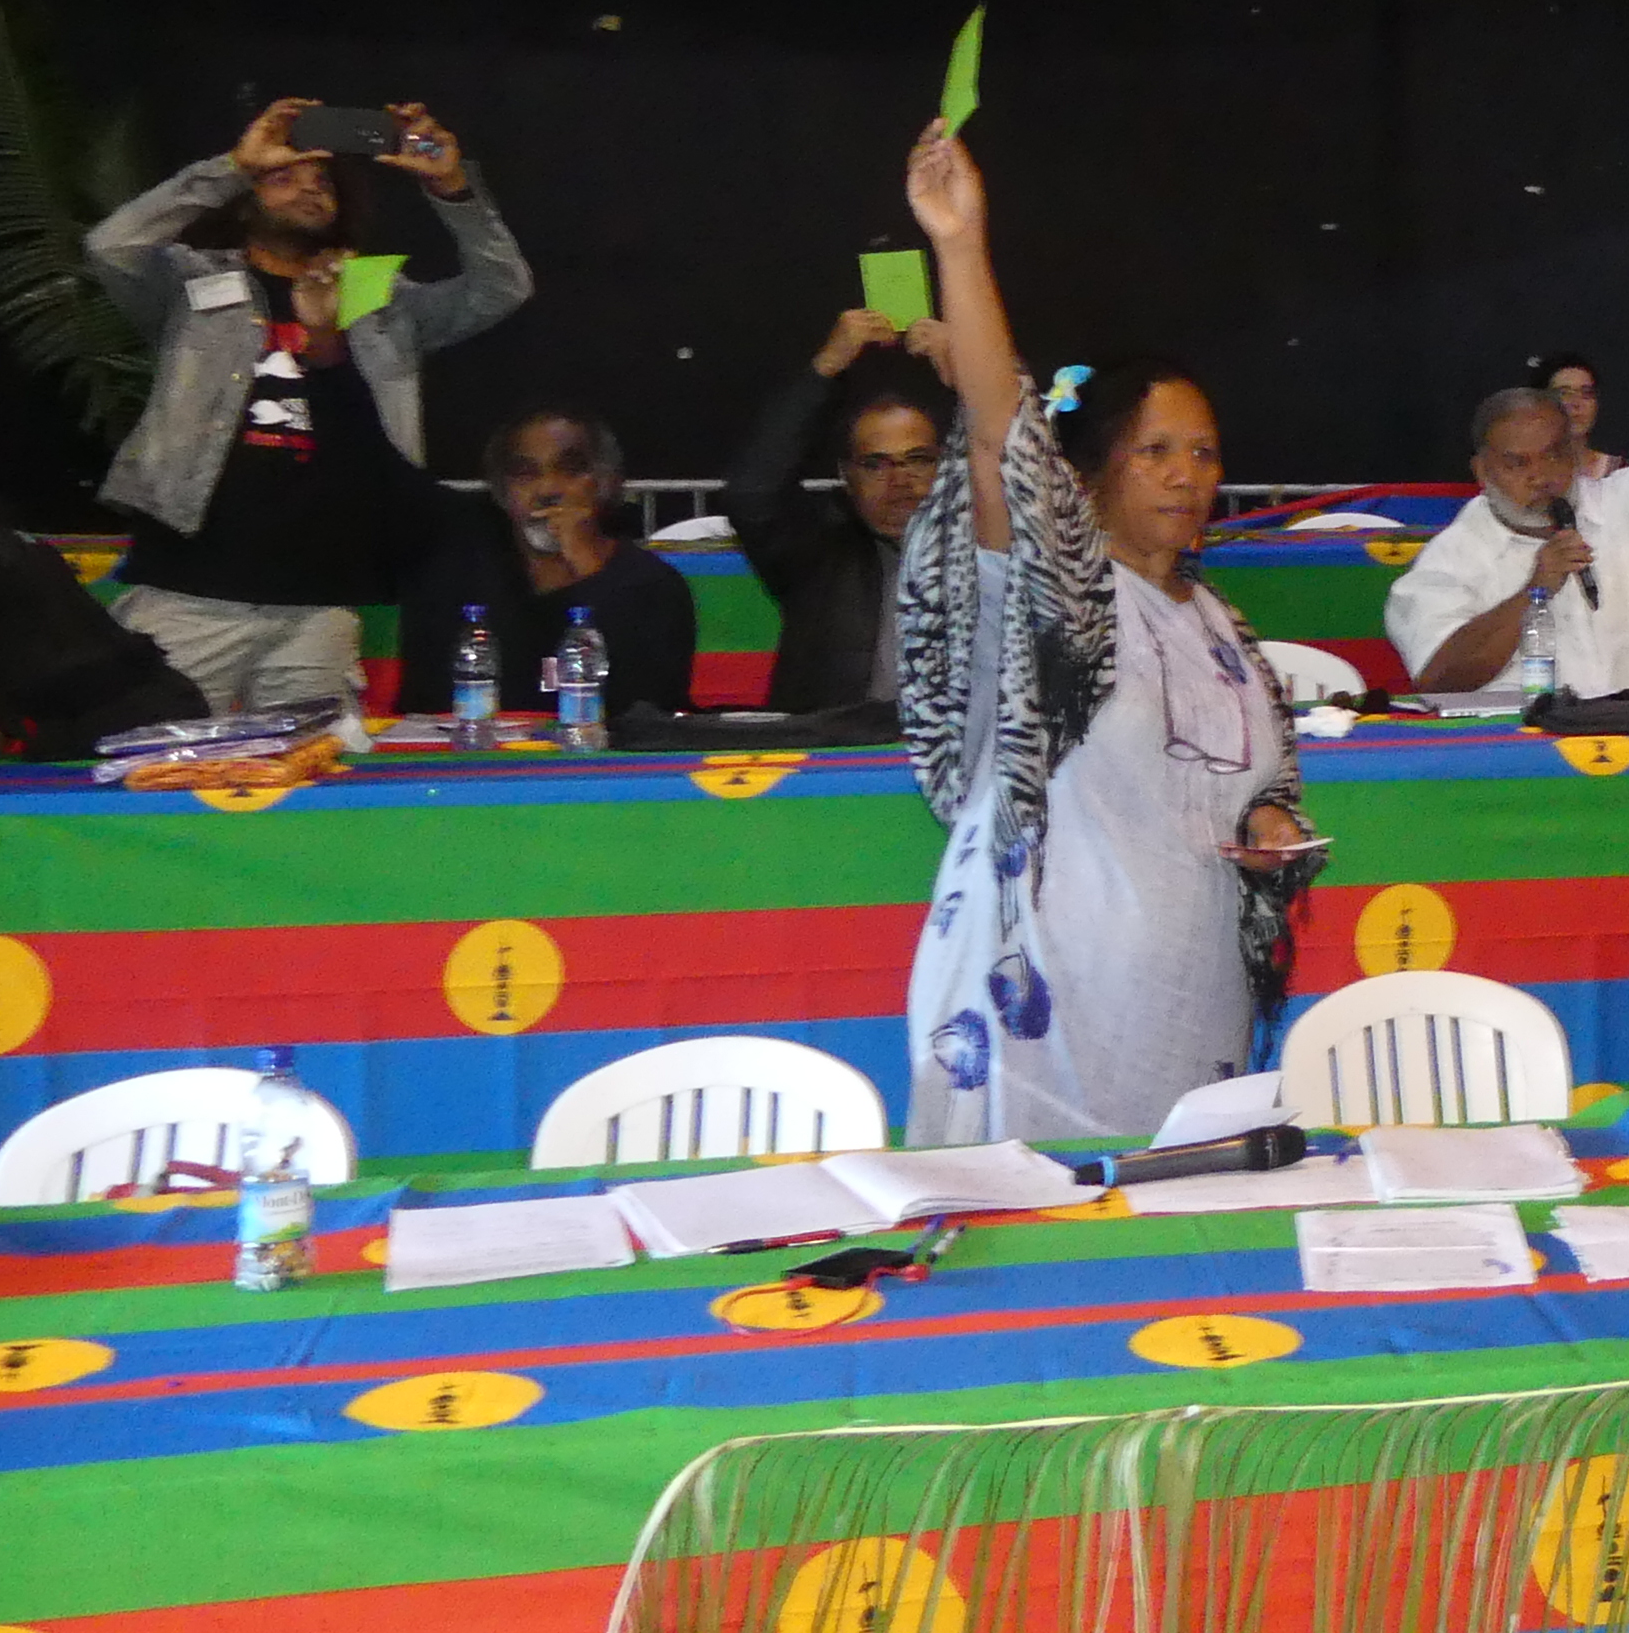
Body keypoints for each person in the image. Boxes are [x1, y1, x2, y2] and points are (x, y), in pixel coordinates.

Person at [893, 119, 1317, 1143]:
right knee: (1030, 1230)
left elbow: (1255, 785)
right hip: (1046, 1009)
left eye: (1204, 453)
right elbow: (999, 441)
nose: (1186, 475)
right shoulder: (1064, 595)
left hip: (1188, 1007)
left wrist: (1269, 825)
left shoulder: (1219, 623)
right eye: (1155, 450)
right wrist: (960, 242)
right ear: (1089, 475)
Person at [85, 96, 527, 711]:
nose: (309, 189)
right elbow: (110, 246)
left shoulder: (375, 296)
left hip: (320, 603)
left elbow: (502, 288)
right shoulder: (192, 281)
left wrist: (452, 189)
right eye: (283, 177)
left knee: (314, 764)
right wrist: (235, 165)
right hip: (188, 592)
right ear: (245, 201)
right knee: (164, 758)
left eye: (322, 181)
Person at [1390, 320, 1629, 693]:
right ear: (1482, 471)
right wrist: (1536, 590)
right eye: (1517, 463)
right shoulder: (1452, 557)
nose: (1540, 475)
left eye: (1553, 455)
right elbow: (1440, 679)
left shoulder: (1626, 503)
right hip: (1526, 733)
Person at [394, 406, 698, 727]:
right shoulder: (454, 582)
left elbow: (649, 711)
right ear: (502, 491)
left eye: (571, 470)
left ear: (606, 482)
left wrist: (592, 572)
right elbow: (425, 711)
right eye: (525, 474)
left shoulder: (654, 585)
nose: (547, 490)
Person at [725, 306, 959, 711]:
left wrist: (976, 379)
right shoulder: (819, 550)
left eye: (918, 459)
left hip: (961, 744)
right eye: (875, 464)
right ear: (846, 475)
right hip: (837, 744)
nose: (899, 479)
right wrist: (825, 369)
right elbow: (751, 492)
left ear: (947, 465)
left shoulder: (987, 546)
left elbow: (1038, 489)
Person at [1527, 350, 1624, 479]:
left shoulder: (1621, 473)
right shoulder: (1521, 473)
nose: (1576, 403)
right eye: (1563, 393)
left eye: (1586, 393)